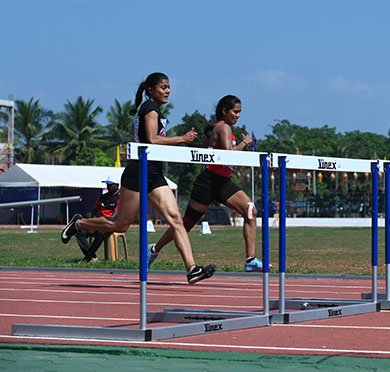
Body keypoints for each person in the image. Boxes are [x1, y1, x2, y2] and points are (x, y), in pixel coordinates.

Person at [61, 72, 216, 284]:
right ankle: (79, 224)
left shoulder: (155, 110)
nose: (168, 91)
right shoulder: (150, 109)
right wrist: (183, 138)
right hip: (137, 172)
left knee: (176, 220)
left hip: (154, 174)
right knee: (120, 225)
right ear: (151, 90)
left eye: (169, 87)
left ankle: (192, 269)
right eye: (163, 87)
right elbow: (151, 139)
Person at [146, 95, 268, 272]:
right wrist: (244, 142)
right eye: (235, 112)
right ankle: (154, 250)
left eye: (240, 112)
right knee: (186, 224)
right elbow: (229, 154)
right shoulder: (223, 127)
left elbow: (206, 148)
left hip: (224, 181)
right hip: (209, 182)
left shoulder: (220, 129)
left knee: (250, 211)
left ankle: (250, 259)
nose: (238, 116)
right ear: (224, 111)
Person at [75, 177, 120, 263]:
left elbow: (113, 217)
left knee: (100, 233)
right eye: (107, 184)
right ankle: (92, 256)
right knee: (78, 231)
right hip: (99, 223)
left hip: (111, 225)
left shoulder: (120, 198)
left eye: (110, 185)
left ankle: (87, 258)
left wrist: (98, 225)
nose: (108, 186)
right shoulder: (102, 197)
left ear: (117, 185)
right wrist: (93, 222)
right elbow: (95, 210)